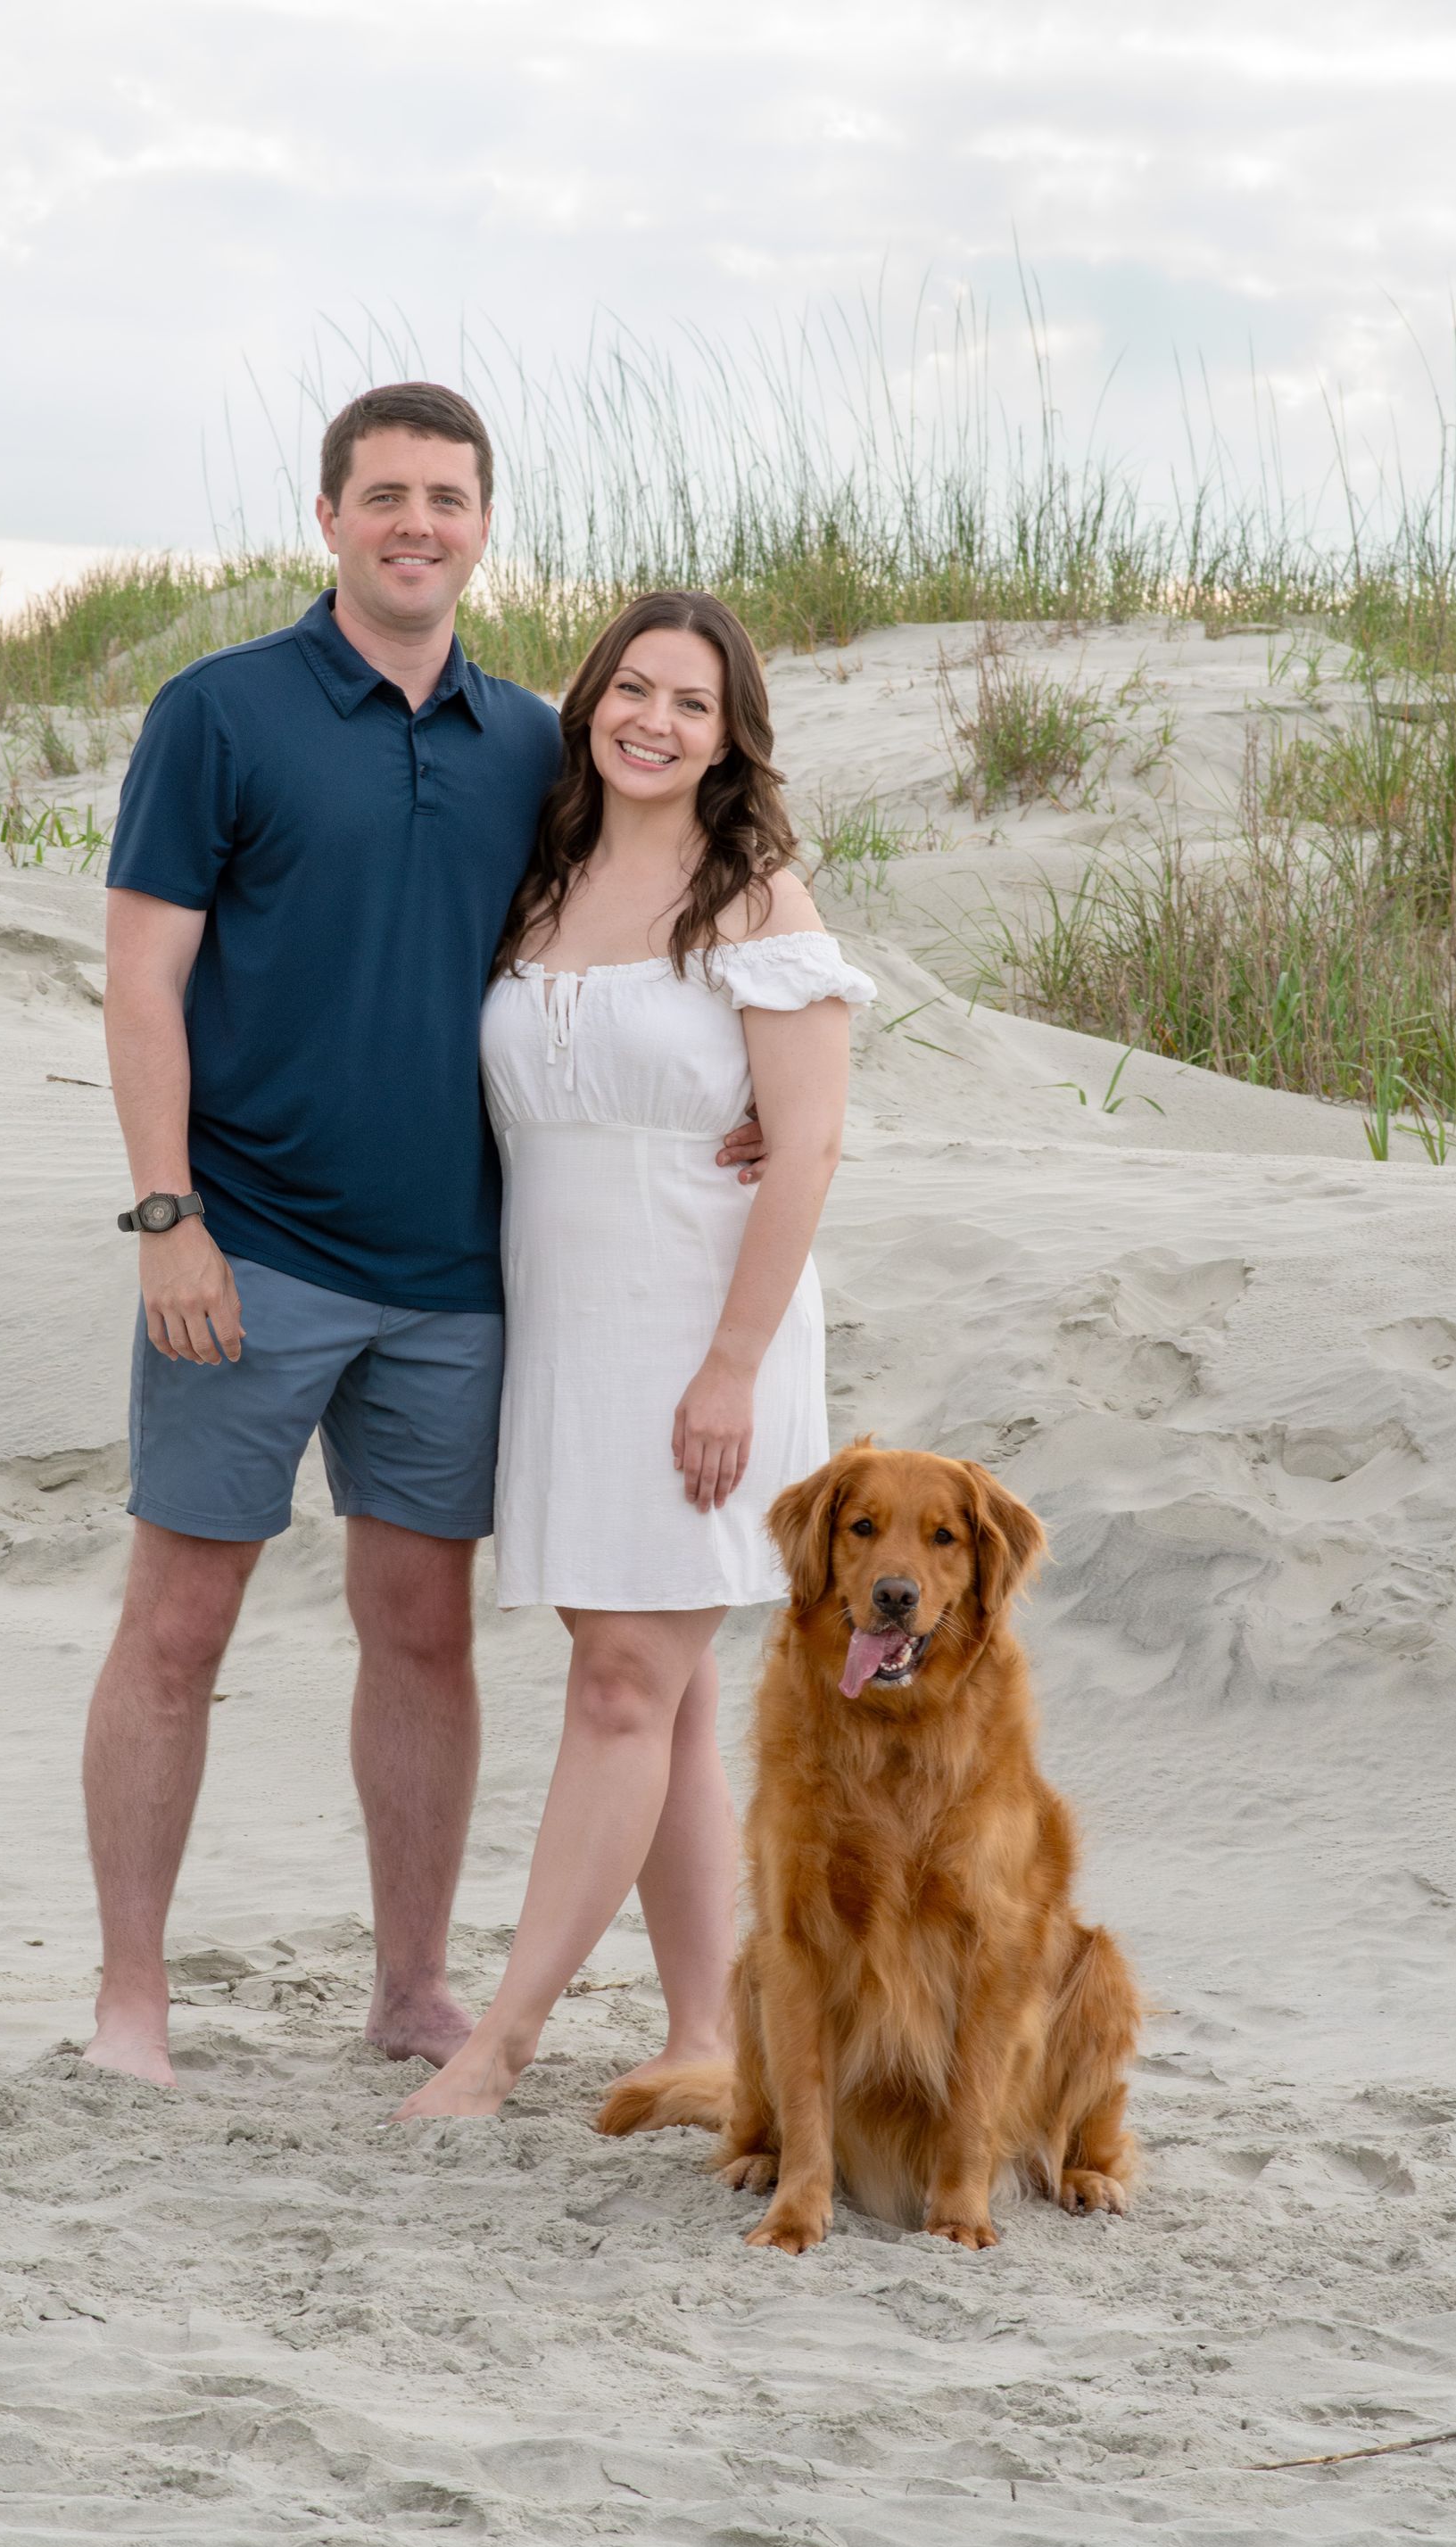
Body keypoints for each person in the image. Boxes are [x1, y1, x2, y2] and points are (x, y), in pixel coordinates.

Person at [81, 386, 765, 2087]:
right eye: (384, 495)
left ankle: (409, 1991)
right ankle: (131, 2001)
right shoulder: (219, 712)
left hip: (463, 1278)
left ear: (483, 527)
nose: (416, 525)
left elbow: (659, 911)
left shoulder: (536, 742)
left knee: (423, 1631)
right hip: (246, 1254)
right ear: (328, 517)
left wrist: (747, 1093)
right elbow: (144, 979)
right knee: (179, 1625)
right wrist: (168, 1216)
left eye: (446, 499)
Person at [393, 591, 873, 2121]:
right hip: (567, 1331)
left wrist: (729, 1368)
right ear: (590, 700)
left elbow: (807, 1149)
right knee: (662, 1693)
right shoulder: (538, 878)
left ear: (730, 739)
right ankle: (706, 2035)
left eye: (692, 703)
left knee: (620, 1684)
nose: (654, 723)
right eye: (634, 690)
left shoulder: (757, 900)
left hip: (703, 1334)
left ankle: (502, 2042)